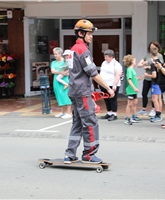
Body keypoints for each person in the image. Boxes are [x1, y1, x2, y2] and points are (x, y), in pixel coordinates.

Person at [64, 19, 115, 164]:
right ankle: (89, 154)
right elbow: (93, 73)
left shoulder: (73, 49)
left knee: (78, 123)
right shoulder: (83, 50)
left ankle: (69, 154)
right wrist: (108, 88)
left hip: (74, 92)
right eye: (89, 33)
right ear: (80, 33)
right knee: (91, 123)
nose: (91, 36)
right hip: (82, 93)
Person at [137, 41, 164, 118]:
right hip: (147, 78)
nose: (152, 48)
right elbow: (139, 65)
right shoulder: (147, 55)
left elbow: (160, 66)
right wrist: (144, 64)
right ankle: (144, 109)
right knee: (144, 93)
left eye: (153, 47)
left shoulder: (159, 56)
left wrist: (149, 67)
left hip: (154, 78)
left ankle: (154, 109)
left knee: (155, 96)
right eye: (151, 47)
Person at [99, 49, 123, 121]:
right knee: (106, 99)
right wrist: (99, 83)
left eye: (106, 57)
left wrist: (114, 85)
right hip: (104, 84)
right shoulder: (104, 63)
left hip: (112, 84)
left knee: (113, 99)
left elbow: (118, 75)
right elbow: (101, 73)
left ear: (111, 57)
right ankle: (109, 113)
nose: (105, 58)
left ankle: (114, 114)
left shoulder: (116, 64)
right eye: (105, 57)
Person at [51, 47, 72, 119]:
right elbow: (53, 71)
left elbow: (69, 69)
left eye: (56, 54)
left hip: (65, 81)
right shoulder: (54, 62)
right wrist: (61, 72)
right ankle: (63, 112)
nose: (55, 56)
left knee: (66, 96)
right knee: (59, 96)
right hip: (57, 81)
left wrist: (62, 72)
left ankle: (68, 113)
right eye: (54, 54)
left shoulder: (66, 61)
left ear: (60, 54)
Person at [144, 46, 163, 123]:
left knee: (154, 100)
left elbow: (154, 75)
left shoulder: (153, 64)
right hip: (160, 82)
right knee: (159, 99)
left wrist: (147, 75)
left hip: (155, 83)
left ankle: (158, 114)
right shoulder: (160, 62)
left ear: (151, 54)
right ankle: (159, 114)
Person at [123, 54, 144, 125]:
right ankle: (127, 118)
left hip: (134, 90)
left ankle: (134, 117)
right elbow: (129, 80)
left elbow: (132, 79)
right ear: (132, 61)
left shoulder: (132, 70)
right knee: (129, 104)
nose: (135, 62)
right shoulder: (129, 70)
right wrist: (134, 88)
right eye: (135, 60)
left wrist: (138, 79)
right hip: (131, 90)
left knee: (135, 103)